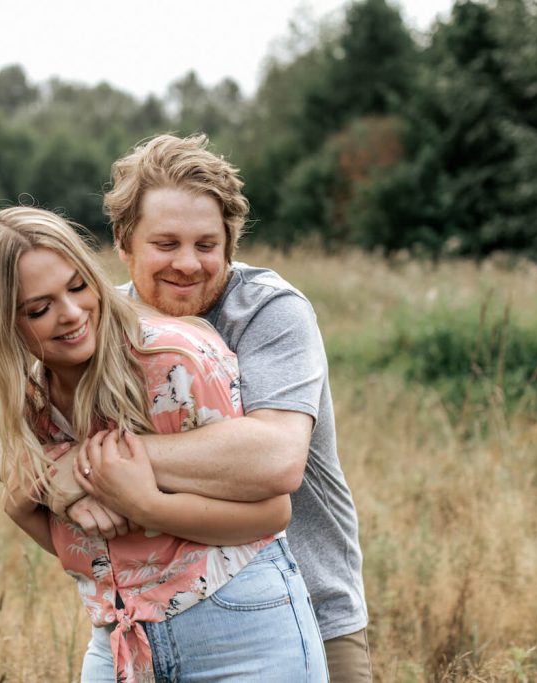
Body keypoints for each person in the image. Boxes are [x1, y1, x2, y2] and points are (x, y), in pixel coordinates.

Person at [0, 206, 328, 682]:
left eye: (77, 287)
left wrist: (144, 502)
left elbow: (273, 514)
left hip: (239, 629)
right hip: (120, 638)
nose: (71, 314)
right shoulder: (31, 402)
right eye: (38, 308)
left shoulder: (170, 361)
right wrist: (22, 503)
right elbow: (92, 550)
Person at [50, 133, 372, 681]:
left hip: (305, 616)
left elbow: (275, 461)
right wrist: (51, 476)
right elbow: (25, 446)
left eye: (206, 245)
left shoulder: (268, 311)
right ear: (124, 243)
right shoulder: (99, 320)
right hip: (146, 625)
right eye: (166, 243)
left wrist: (90, 464)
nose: (188, 264)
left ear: (230, 246)